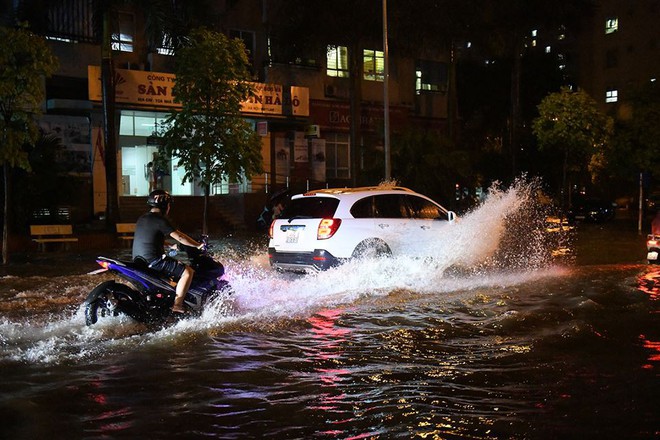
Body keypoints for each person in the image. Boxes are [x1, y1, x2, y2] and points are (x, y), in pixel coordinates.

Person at [132, 189, 204, 314]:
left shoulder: (142, 218)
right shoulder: (160, 220)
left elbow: (150, 237)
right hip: (154, 261)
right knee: (187, 272)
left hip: (139, 260)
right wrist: (198, 245)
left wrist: (170, 245)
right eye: (169, 204)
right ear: (166, 206)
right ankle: (178, 304)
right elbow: (180, 237)